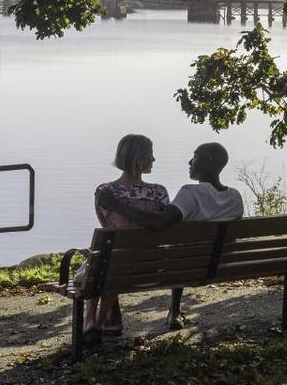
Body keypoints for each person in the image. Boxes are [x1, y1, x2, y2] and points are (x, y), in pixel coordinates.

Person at [98, 141, 244, 328]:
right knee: (185, 249)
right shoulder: (235, 197)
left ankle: (111, 320)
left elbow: (158, 222)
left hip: (181, 268)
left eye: (195, 156)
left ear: (207, 161)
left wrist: (116, 205)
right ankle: (174, 312)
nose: (190, 161)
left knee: (116, 256)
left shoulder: (190, 193)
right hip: (222, 265)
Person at [86, 133, 168, 340]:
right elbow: (161, 225)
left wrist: (119, 207)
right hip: (152, 264)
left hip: (114, 262)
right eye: (151, 155)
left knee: (101, 260)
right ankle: (103, 320)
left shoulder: (105, 191)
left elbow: (107, 226)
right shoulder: (158, 192)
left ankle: (91, 320)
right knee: (114, 260)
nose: (154, 159)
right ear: (139, 159)